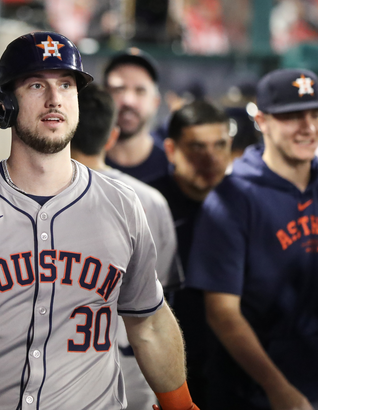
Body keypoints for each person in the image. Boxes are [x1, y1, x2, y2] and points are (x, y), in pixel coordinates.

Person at [0, 31, 198, 410]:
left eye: (66, 84)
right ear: (5, 104)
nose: (55, 98)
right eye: (35, 85)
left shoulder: (122, 204)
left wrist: (181, 405)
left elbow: (150, 323)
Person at [185, 68, 318, 409]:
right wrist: (279, 389)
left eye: (316, 114)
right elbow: (222, 312)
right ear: (262, 120)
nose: (309, 127)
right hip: (255, 393)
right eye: (292, 116)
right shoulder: (233, 198)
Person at [71, 82, 183, 410]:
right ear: (111, 136)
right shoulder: (147, 200)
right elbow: (159, 297)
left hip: (54, 373)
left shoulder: (37, 200)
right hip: (136, 370)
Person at [147, 100, 234, 409]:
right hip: (168, 370)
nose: (210, 158)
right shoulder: (145, 205)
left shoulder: (246, 204)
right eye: (197, 147)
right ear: (171, 150)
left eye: (219, 145)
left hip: (236, 370)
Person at [103, 47, 170, 183]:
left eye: (140, 91)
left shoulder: (171, 170)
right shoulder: (80, 166)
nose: (128, 101)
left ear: (155, 102)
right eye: (119, 89)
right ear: (103, 97)